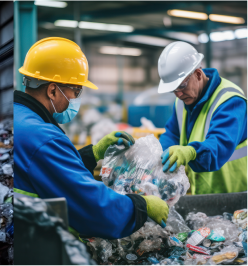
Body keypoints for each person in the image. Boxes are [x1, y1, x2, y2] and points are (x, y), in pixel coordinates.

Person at [14, 37, 168, 239]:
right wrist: (141, 205)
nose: (77, 98)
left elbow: (48, 173)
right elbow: (94, 209)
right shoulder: (42, 138)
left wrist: (93, 153)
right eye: (76, 90)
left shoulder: (20, 118)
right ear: (52, 90)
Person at [156, 41, 248, 195]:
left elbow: (218, 146)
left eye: (181, 86)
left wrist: (191, 152)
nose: (178, 94)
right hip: (204, 193)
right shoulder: (181, 102)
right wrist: (159, 156)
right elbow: (172, 134)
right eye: (173, 89)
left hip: (237, 195)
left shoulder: (230, 101)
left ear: (198, 74)